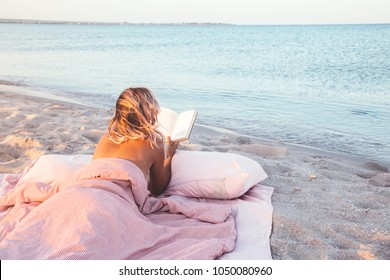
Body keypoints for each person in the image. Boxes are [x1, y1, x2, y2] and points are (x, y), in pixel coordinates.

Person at [93, 87, 180, 196]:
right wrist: (168, 155)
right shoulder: (153, 144)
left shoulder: (107, 137)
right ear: (150, 111)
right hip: (113, 196)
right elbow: (157, 189)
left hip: (86, 187)